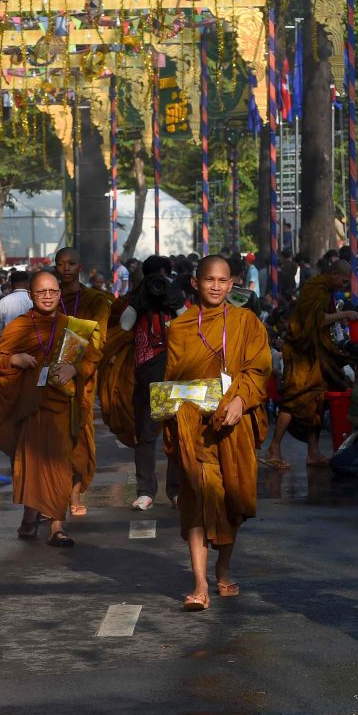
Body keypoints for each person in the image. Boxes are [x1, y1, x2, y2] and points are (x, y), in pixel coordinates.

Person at [162, 256, 270, 611]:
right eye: (209, 279)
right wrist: (173, 421)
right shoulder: (179, 328)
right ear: (196, 283)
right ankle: (199, 583)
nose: (216, 286)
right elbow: (172, 381)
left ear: (231, 284)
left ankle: (222, 567)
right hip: (193, 428)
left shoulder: (246, 322)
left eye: (223, 281)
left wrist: (241, 398)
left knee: (230, 501)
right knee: (196, 500)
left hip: (232, 427)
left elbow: (259, 367)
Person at [0, 271, 93, 547]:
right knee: (31, 467)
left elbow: (91, 358)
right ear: (32, 296)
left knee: (60, 465)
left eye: (53, 291)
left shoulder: (72, 326)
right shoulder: (19, 326)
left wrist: (75, 368)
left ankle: (57, 526)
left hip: (61, 407)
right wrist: (15, 358)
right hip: (29, 408)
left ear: (60, 293)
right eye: (41, 292)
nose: (48, 296)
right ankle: (29, 515)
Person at [98, 256, 184, 511]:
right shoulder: (135, 301)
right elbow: (124, 326)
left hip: (174, 376)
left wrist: (173, 299)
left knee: (176, 437)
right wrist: (139, 301)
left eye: (163, 279)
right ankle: (146, 491)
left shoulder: (177, 297)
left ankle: (176, 491)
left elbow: (189, 323)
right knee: (145, 438)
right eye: (153, 279)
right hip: (144, 376)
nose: (158, 284)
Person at [263, 260, 358, 469]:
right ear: (333, 274)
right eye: (343, 281)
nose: (344, 285)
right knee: (294, 400)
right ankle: (274, 446)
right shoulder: (316, 289)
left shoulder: (326, 289)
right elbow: (316, 320)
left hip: (316, 355)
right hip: (302, 354)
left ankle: (313, 452)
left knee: (318, 400)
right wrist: (344, 314)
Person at [54, 247, 114, 516]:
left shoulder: (95, 300)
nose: (65, 268)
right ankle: (53, 495)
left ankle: (75, 495)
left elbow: (98, 339)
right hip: (51, 374)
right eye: (61, 263)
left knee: (78, 435)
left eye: (71, 263)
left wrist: (76, 367)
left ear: (80, 267)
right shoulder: (48, 297)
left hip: (82, 377)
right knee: (51, 438)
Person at [0, 269, 32, 344]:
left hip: (9, 343)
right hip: (30, 343)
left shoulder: (3, 302)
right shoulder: (34, 300)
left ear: (11, 285)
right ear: (28, 284)